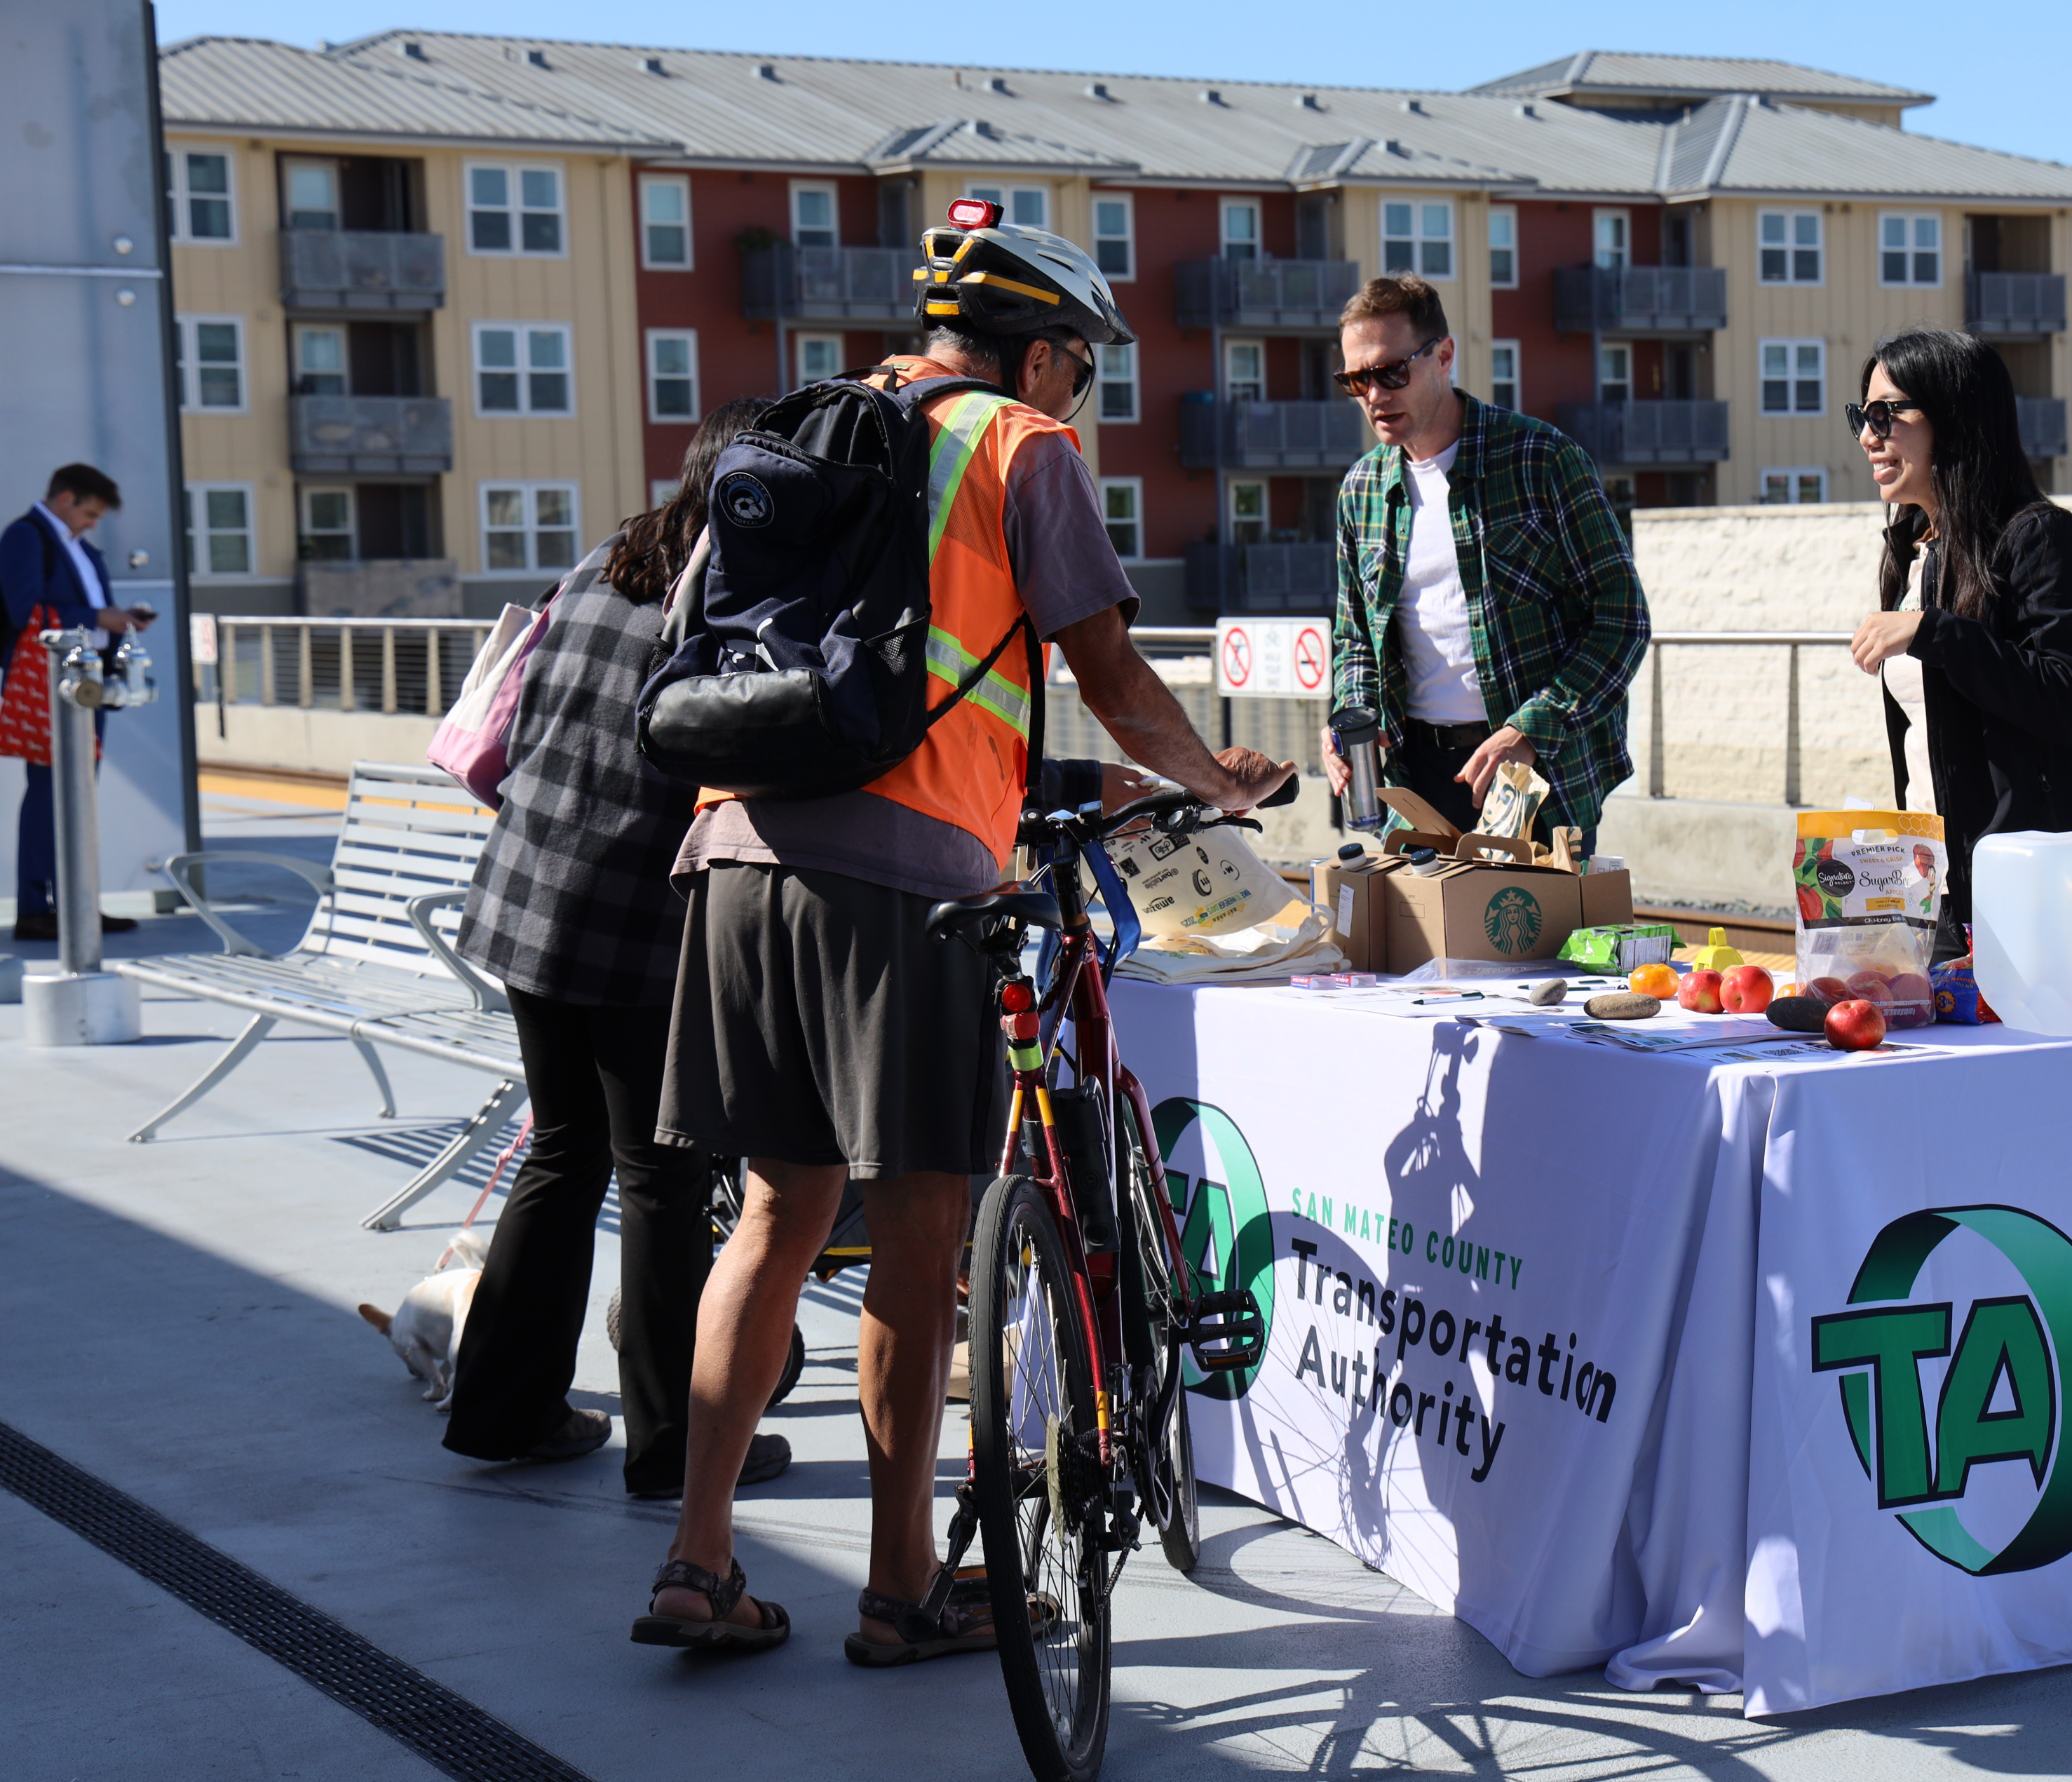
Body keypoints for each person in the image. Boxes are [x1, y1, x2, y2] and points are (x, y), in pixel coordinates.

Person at [635, 209, 1292, 1661]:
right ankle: (904, 1583)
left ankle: (697, 1558)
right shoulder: (1018, 446)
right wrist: (1215, 776)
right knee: (923, 1236)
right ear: (1043, 352)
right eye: (1085, 367)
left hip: (737, 852)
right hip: (905, 881)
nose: (1085, 396)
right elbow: (1106, 665)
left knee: (773, 1211)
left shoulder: (801, 427)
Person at [440, 398, 787, 1498]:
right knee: (662, 1177)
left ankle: (502, 1409)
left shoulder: (610, 556)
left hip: (527, 900)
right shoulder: (731, 597)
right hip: (631, 922)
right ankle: (672, 1446)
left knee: (563, 1149)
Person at [1321, 274, 1648, 853]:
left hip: (1533, 772)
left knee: (1534, 943)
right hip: (1413, 776)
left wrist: (1530, 730)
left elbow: (1622, 619)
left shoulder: (1541, 460)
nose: (1374, 394)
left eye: (1391, 371)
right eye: (1355, 380)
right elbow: (1354, 643)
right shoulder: (1361, 491)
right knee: (1421, 944)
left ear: (1443, 356)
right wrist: (1353, 721)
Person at [1841, 329, 2072, 929]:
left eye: (1885, 414)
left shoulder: (2040, 537)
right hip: (1942, 885)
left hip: (2042, 888)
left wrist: (1936, 632)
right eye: (1861, 416)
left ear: (1953, 417)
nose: (1868, 436)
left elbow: (2067, 699)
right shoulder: (1913, 550)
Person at [1, 463, 158, 942]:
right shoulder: (27, 537)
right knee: (52, 794)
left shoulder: (79, 548)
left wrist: (115, 621)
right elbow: (20, 608)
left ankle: (76, 903)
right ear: (66, 499)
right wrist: (100, 616)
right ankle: (37, 905)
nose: (92, 524)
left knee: (76, 796)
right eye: (89, 513)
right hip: (51, 683)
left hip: (83, 681)